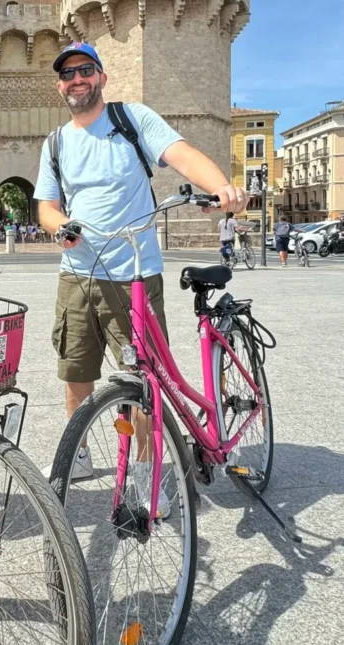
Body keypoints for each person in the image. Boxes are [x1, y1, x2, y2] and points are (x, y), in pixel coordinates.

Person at [34, 42, 248, 512]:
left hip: (133, 274)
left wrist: (222, 187)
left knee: (143, 382)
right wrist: (58, 226)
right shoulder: (55, 143)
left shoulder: (132, 119)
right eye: (68, 74)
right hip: (77, 275)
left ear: (102, 77)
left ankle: (148, 475)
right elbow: (46, 205)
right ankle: (83, 448)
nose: (77, 79)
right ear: (59, 86)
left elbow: (181, 154)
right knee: (75, 371)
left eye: (85, 70)